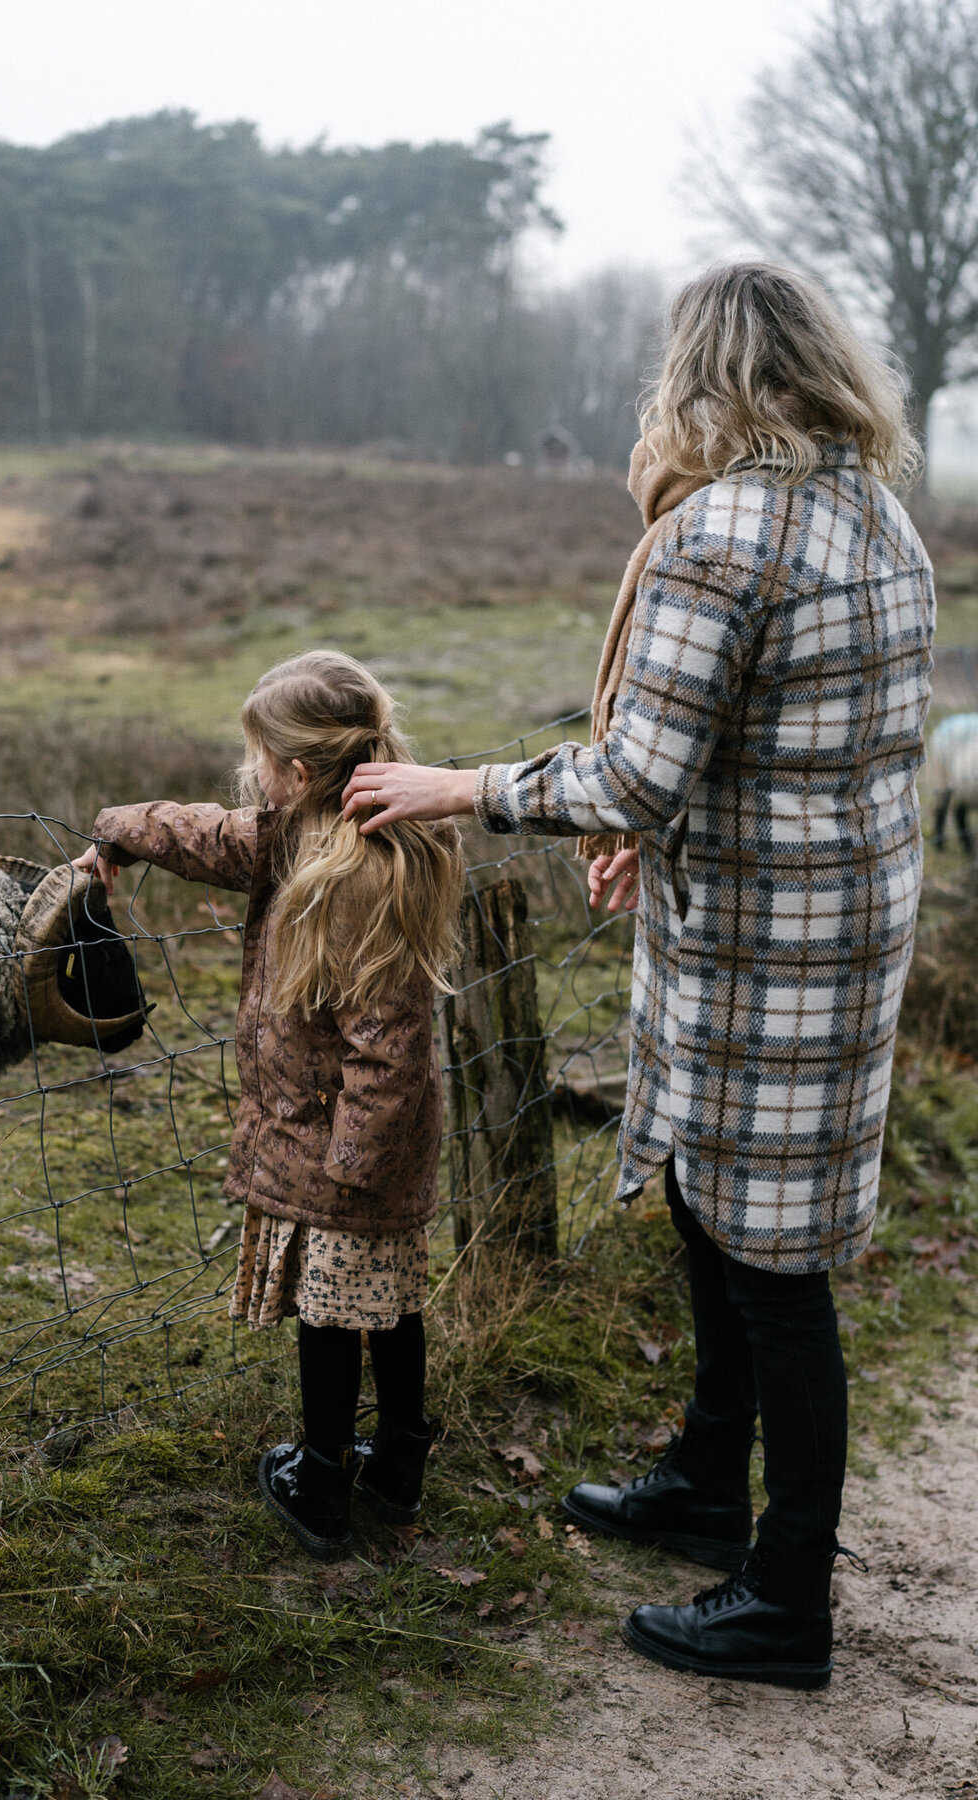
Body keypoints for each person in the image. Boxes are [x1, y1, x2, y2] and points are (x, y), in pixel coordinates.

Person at [341, 263, 935, 1688]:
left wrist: (463, 785)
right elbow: (780, 745)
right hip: (842, 921)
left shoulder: (720, 533)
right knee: (718, 1210)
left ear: (704, 376)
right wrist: (645, 835)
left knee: (772, 1269)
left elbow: (640, 768)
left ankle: (785, 1597)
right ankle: (705, 1488)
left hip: (758, 949)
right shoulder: (878, 515)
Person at [76, 650, 464, 1560]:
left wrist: (352, 1168)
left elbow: (389, 1044)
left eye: (258, 759)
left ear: (294, 772)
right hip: (345, 1142)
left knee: (333, 1319)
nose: (249, 777)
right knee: (393, 1303)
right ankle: (399, 1458)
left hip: (342, 1147)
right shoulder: (304, 834)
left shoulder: (358, 876)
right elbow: (210, 835)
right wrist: (120, 829)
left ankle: (323, 1479)